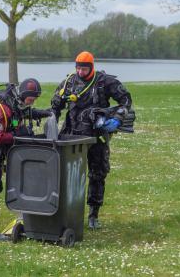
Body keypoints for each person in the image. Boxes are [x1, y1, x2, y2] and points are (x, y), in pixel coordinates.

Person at [50, 51, 133, 229]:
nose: (80, 72)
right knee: (66, 174)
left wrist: (117, 118)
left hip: (96, 136)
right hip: (71, 134)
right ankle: (64, 211)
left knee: (97, 174)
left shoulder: (104, 82)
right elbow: (55, 105)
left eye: (84, 68)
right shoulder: (69, 82)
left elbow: (126, 100)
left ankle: (93, 215)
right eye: (78, 68)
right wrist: (52, 126)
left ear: (92, 66)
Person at [0, 78, 52, 241]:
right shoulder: (4, 108)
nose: (33, 101)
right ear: (24, 95)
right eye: (32, 98)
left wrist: (46, 112)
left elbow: (26, 112)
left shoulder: (16, 102)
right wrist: (17, 135)